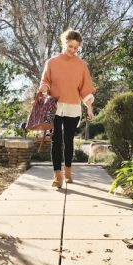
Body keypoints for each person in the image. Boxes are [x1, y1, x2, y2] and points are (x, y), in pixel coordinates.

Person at [38, 29, 95, 188]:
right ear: (64, 43)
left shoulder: (81, 66)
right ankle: (57, 176)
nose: (73, 50)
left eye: (76, 48)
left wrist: (89, 108)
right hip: (54, 108)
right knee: (56, 141)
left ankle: (68, 171)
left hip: (73, 108)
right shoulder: (52, 62)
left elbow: (85, 89)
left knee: (68, 141)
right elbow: (46, 81)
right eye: (70, 46)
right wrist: (44, 86)